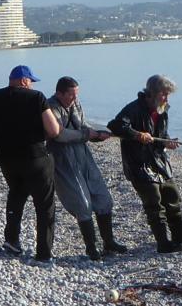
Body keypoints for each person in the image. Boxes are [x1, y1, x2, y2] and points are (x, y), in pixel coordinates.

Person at [0, 65, 60, 261]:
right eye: (31, 81)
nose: (32, 85)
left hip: (7, 158)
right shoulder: (36, 97)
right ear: (24, 80)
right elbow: (54, 130)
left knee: (16, 194)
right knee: (44, 204)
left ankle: (12, 240)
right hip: (35, 157)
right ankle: (44, 252)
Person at [48, 76, 128, 260]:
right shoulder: (50, 107)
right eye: (70, 95)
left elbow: (83, 126)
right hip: (62, 158)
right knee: (81, 202)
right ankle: (91, 247)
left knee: (102, 196)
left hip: (83, 154)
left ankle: (109, 242)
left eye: (76, 95)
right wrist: (87, 134)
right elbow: (59, 135)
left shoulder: (76, 104)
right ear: (59, 93)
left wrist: (96, 135)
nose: (74, 99)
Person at [108, 74, 182, 253]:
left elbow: (160, 135)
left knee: (173, 197)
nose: (166, 98)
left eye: (168, 95)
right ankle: (163, 243)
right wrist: (138, 135)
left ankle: (180, 239)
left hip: (159, 160)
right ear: (152, 93)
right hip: (139, 164)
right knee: (154, 203)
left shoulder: (162, 109)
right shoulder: (133, 108)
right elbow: (115, 126)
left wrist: (167, 142)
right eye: (164, 94)